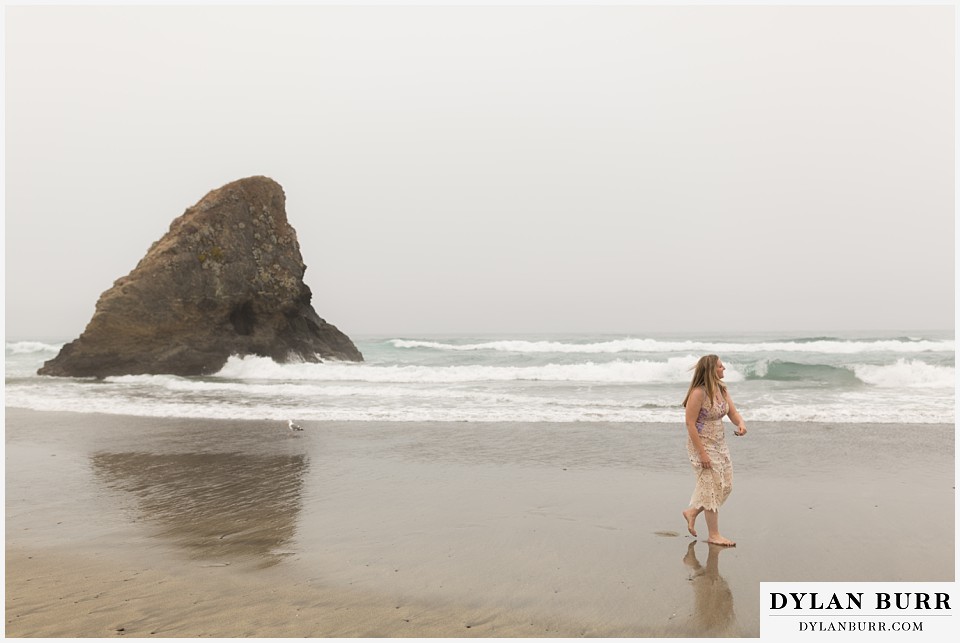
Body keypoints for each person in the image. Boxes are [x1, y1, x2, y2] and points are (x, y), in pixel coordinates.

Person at [681, 354, 747, 546]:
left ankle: (692, 511)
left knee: (725, 485)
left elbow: (732, 413)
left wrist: (741, 424)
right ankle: (714, 535)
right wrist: (702, 454)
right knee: (711, 487)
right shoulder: (698, 393)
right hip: (702, 445)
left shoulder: (722, 389)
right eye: (720, 366)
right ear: (711, 370)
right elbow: (690, 424)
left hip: (720, 443)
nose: (723, 368)